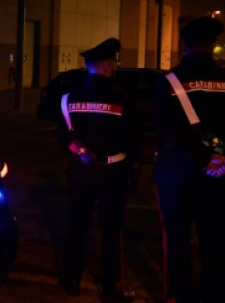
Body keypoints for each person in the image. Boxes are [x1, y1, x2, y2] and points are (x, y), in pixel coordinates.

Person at [153, 16, 225, 303]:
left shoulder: (170, 81)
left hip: (178, 174)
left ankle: (180, 294)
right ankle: (214, 293)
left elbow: (168, 128)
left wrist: (201, 159)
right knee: (214, 235)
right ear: (213, 44)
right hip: (221, 176)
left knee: (177, 238)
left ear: (184, 45)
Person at [57, 37, 143, 301]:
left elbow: (64, 137)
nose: (115, 67)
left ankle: (70, 279)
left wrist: (82, 153)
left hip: (81, 171)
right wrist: (133, 171)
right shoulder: (122, 99)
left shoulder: (68, 98)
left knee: (76, 225)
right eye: (114, 63)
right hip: (113, 173)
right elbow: (134, 141)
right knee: (111, 231)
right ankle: (110, 287)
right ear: (107, 65)